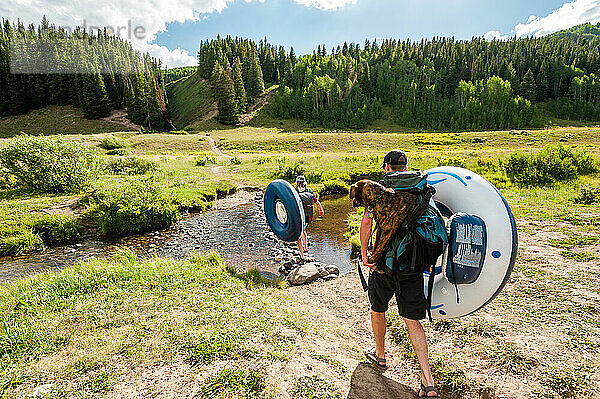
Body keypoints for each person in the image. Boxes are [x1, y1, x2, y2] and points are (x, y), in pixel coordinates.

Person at [360, 150, 439, 398]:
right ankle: (428, 382)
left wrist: (365, 253)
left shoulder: (381, 189)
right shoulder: (421, 188)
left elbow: (366, 223)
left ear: (386, 167)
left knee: (378, 309)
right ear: (405, 166)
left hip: (384, 264)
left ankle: (380, 355)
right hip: (412, 266)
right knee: (412, 320)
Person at [295, 175, 324, 259]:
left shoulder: (295, 191)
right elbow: (316, 201)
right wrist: (321, 210)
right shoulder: (309, 191)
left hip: (299, 214)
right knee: (303, 230)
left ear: (297, 183)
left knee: (300, 234)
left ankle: (302, 254)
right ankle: (306, 248)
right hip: (308, 215)